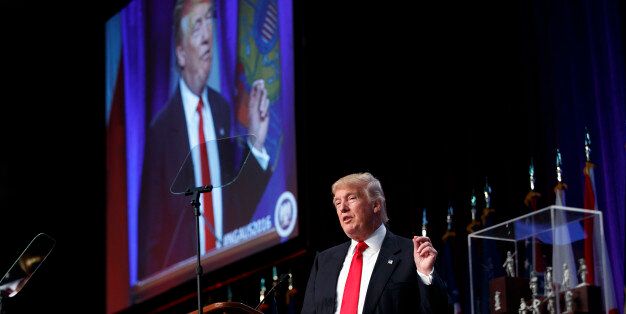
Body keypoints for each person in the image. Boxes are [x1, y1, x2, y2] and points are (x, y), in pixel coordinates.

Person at [137, 0, 272, 279]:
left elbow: (236, 205)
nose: (207, 35)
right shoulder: (160, 132)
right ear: (180, 53)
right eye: (197, 26)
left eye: (209, 20)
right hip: (185, 283)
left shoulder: (223, 110)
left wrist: (256, 142)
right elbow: (151, 238)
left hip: (230, 271)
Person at [302, 172, 450, 313]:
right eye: (337, 202)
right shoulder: (324, 261)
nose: (342, 208)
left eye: (351, 198)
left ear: (376, 205)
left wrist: (426, 275)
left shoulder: (411, 253)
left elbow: (438, 311)